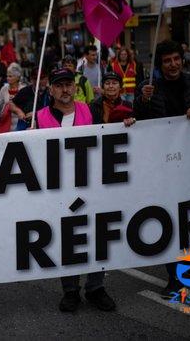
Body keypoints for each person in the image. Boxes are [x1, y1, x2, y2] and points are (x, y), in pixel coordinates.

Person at [134, 40, 190, 298]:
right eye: (167, 61)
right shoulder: (149, 88)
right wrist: (143, 101)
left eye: (176, 59)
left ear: (182, 60)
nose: (173, 65)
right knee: (169, 220)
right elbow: (139, 121)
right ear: (159, 65)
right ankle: (174, 276)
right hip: (162, 165)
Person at [35, 68, 116, 312]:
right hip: (58, 188)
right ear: (51, 90)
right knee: (67, 239)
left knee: (96, 234)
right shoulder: (39, 117)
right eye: (59, 85)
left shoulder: (89, 110)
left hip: (90, 184)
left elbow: (107, 137)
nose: (65, 89)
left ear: (75, 87)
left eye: (69, 84)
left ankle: (96, 287)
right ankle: (70, 290)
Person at [0, 63, 25, 133]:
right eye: (7, 76)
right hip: (5, 127)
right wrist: (6, 106)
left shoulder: (23, 89)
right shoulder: (3, 89)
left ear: (17, 77)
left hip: (21, 126)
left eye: (10, 76)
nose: (7, 78)